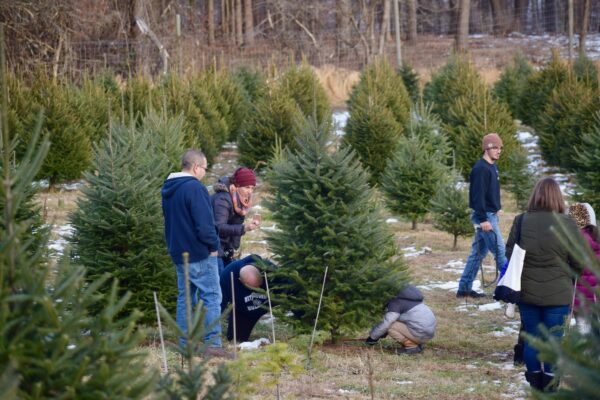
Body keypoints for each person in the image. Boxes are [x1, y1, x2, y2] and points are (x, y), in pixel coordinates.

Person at [506, 178, 582, 391]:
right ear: (558, 197)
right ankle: (550, 381)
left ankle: (534, 379)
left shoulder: (521, 221)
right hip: (559, 293)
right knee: (555, 338)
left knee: (530, 337)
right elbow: (579, 260)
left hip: (527, 291)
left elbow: (510, 254)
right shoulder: (568, 224)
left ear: (535, 196)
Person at [161, 149, 227, 357]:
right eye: (205, 169)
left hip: (178, 251)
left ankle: (184, 343)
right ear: (196, 167)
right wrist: (214, 246)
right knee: (212, 296)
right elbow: (204, 225)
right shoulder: (194, 188)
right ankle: (213, 345)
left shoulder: (169, 188)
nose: (205, 173)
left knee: (185, 298)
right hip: (199, 253)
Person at [457, 133, 508, 298]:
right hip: (485, 218)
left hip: (490, 214)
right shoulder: (480, 169)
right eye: (495, 147)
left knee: (477, 254)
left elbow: (489, 193)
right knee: (500, 252)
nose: (499, 151)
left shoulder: (492, 166)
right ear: (487, 148)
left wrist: (496, 207)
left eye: (500, 148)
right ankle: (510, 292)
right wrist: (483, 219)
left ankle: (464, 289)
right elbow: (477, 197)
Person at [211, 167, 260, 272]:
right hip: (213, 250)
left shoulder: (239, 199)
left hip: (225, 249)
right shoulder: (223, 199)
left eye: (252, 188)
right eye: (247, 187)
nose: (250, 192)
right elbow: (219, 227)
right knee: (218, 284)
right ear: (237, 185)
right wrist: (244, 228)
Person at [365, 285, 437, 354]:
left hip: (421, 334)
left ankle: (411, 347)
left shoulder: (396, 303)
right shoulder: (410, 299)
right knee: (393, 322)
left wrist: (373, 338)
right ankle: (416, 343)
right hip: (427, 334)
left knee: (390, 326)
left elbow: (387, 323)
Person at [220, 254, 271, 342]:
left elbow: (290, 287)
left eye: (259, 286)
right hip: (243, 311)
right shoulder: (226, 277)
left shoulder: (269, 269)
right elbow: (219, 303)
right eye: (252, 288)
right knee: (235, 339)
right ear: (241, 281)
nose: (257, 290)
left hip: (266, 304)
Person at [568, 202, 599, 334]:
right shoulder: (596, 236)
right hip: (596, 294)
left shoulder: (571, 238)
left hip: (578, 296)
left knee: (583, 329)